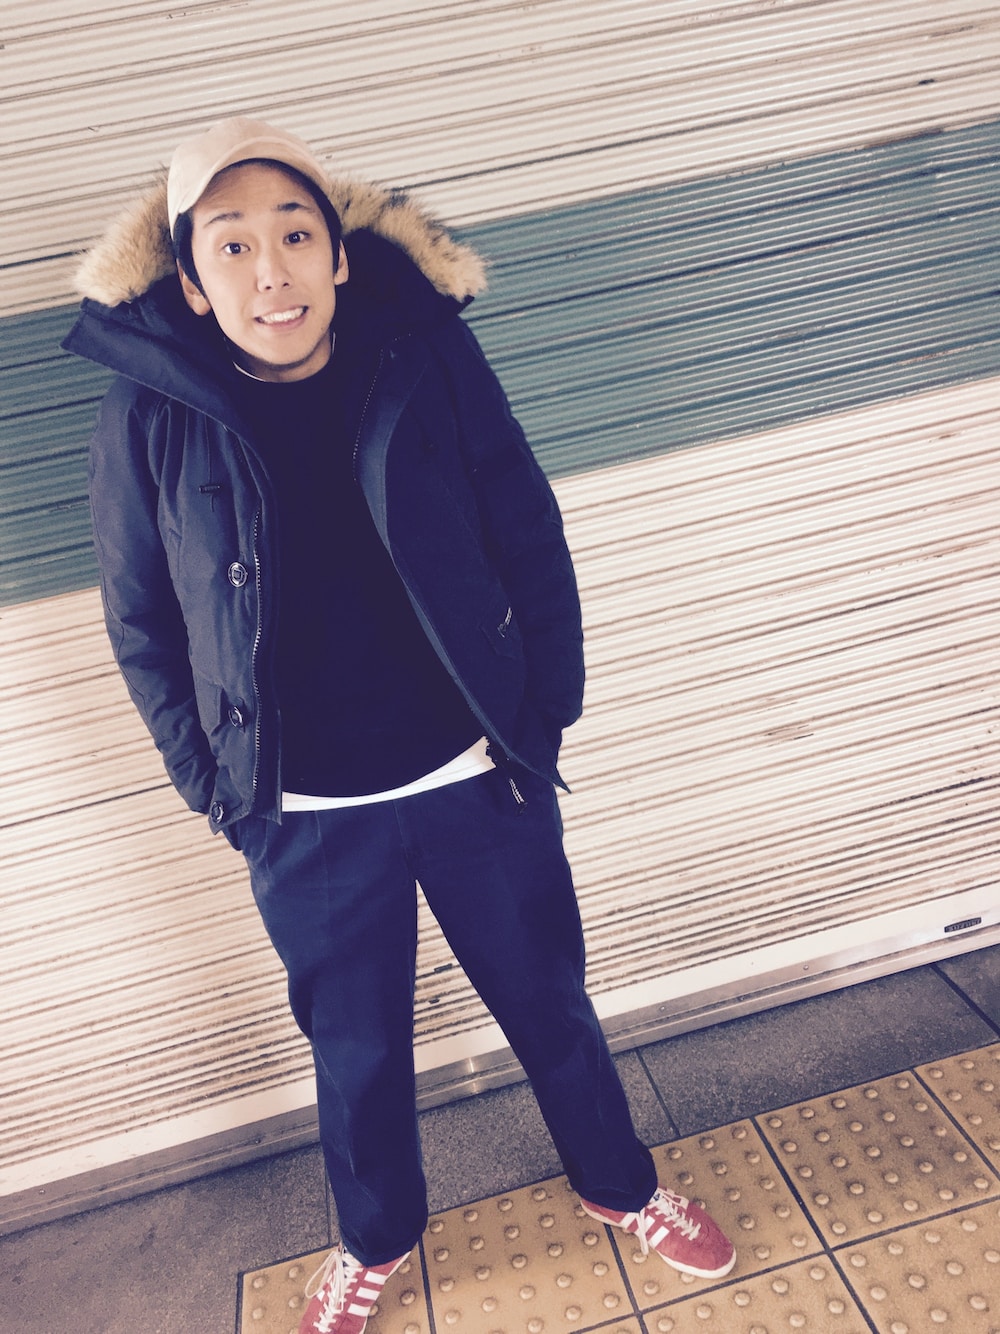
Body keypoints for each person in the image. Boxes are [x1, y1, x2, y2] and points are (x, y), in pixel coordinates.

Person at [64, 118, 736, 1334]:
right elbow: (139, 616)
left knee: (549, 1000)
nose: (270, 271)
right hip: (303, 811)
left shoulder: (421, 354)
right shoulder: (149, 411)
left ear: (336, 255)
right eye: (231, 247)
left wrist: (541, 715)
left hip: (473, 770)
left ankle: (621, 1183)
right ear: (192, 285)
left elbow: (524, 524)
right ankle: (373, 1239)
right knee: (357, 1046)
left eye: (294, 235)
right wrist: (218, 787)